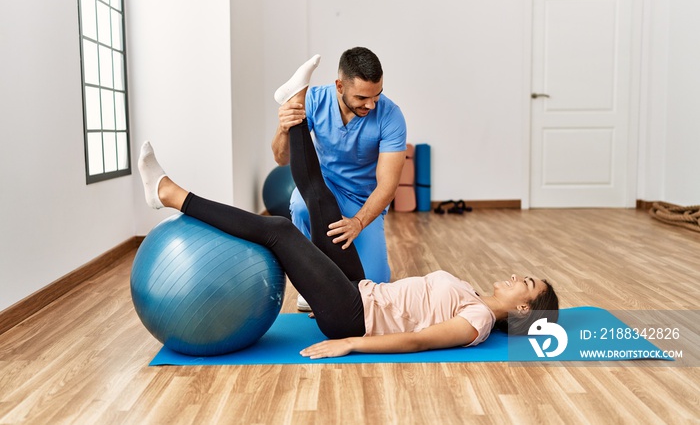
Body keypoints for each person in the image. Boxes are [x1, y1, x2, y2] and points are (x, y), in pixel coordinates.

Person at [137, 64, 559, 359]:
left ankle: (172, 194)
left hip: (352, 317)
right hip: (361, 292)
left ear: (524, 309)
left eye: (525, 282)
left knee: (281, 230)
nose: (514, 275)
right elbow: (280, 158)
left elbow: (418, 342)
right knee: (322, 201)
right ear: (340, 86)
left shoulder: (479, 320)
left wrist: (351, 343)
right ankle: (294, 103)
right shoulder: (470, 293)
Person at [271, 49, 407, 312]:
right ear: (340, 85)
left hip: (363, 202)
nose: (371, 105)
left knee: (374, 293)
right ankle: (311, 281)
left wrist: (358, 222)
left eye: (376, 95)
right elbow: (281, 158)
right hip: (324, 190)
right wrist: (283, 128)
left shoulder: (391, 116)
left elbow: (388, 185)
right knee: (300, 204)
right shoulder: (316, 100)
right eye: (362, 97)